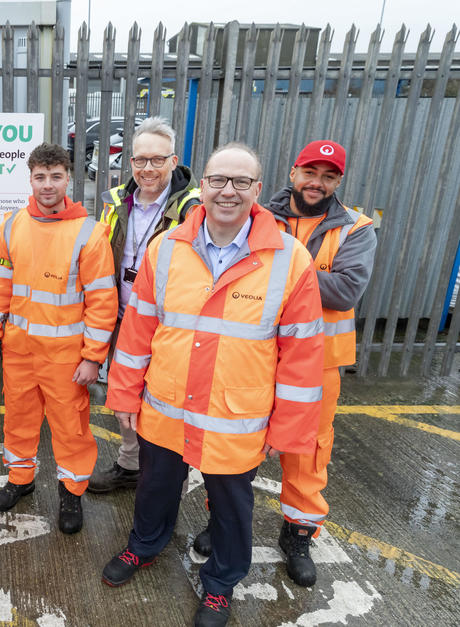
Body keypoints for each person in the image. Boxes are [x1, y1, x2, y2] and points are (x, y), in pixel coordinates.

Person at [100, 143, 324, 627]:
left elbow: (302, 357)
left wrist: (285, 432)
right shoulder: (167, 248)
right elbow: (138, 329)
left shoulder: (290, 259)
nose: (228, 190)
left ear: (258, 190)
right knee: (155, 490)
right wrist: (122, 392)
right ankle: (145, 546)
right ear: (201, 184)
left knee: (230, 507)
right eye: (218, 180)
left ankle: (220, 583)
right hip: (166, 409)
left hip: (235, 416)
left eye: (241, 182)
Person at [191, 140, 376, 588]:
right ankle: (223, 524)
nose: (317, 183)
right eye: (310, 172)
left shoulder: (355, 228)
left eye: (329, 176)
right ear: (292, 173)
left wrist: (280, 266)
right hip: (250, 354)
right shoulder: (260, 213)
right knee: (228, 444)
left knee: (307, 452)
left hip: (318, 363)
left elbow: (345, 291)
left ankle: (298, 533)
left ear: (338, 182)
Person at [0, 142, 117, 534]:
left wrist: (93, 357)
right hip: (19, 350)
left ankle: (71, 492)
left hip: (66, 357)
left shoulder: (89, 234)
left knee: (70, 427)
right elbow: (0, 283)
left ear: (68, 179)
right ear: (31, 178)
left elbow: (103, 301)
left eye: (55, 176)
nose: (47, 185)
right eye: (40, 176)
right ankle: (20, 481)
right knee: (19, 420)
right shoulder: (13, 224)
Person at [89, 116, 201, 494]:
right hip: (123, 316)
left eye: (157, 160)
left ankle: (170, 475)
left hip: (170, 324)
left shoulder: (193, 207)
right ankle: (131, 463)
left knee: (166, 401)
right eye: (140, 160)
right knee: (123, 393)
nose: (147, 169)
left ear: (174, 160)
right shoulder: (117, 201)